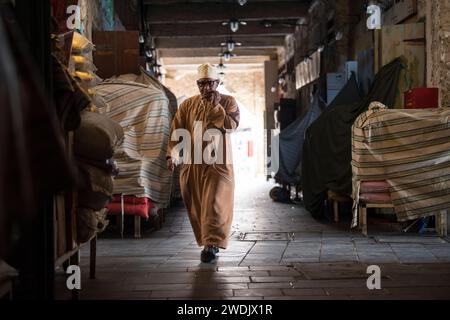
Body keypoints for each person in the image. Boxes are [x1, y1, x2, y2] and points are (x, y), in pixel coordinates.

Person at [167, 63, 240, 263]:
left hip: (218, 165)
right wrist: (172, 155)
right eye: (201, 84)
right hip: (192, 165)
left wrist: (216, 107)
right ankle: (207, 240)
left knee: (214, 204)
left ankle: (211, 244)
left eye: (210, 84)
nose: (205, 88)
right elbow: (176, 131)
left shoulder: (228, 102)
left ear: (217, 83)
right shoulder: (187, 105)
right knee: (197, 204)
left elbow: (230, 126)